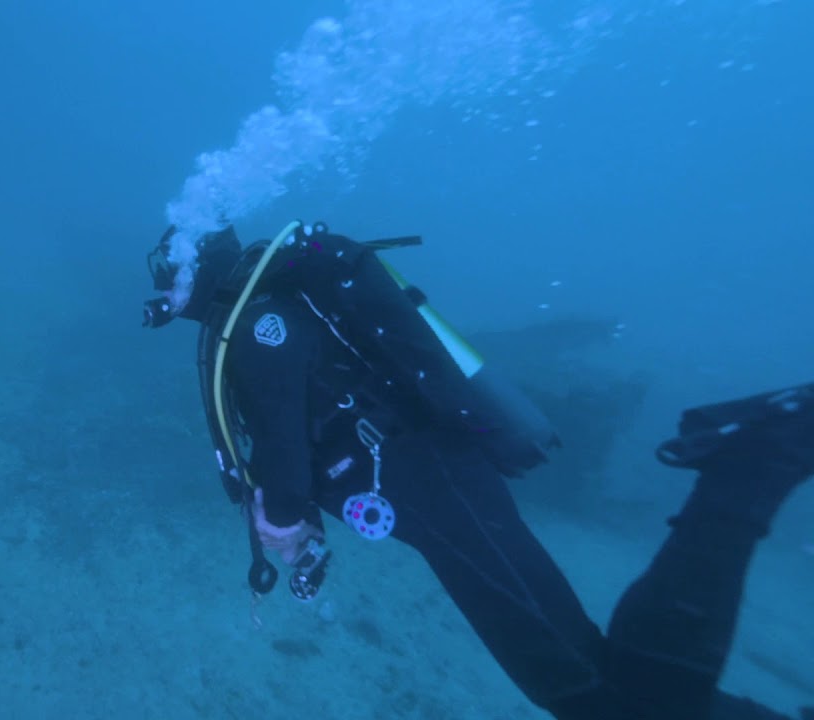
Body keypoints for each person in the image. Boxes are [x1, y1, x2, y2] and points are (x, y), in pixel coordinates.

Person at [142, 220, 814, 720]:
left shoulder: (259, 324)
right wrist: (303, 516)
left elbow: (283, 435)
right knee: (594, 680)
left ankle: (749, 463)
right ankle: (749, 466)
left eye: (166, 270)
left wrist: (287, 517)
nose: (162, 288)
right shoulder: (259, 318)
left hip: (428, 478)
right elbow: (301, 427)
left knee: (585, 689)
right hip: (429, 481)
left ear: (203, 264)